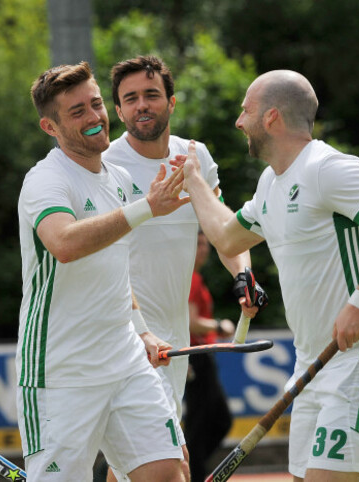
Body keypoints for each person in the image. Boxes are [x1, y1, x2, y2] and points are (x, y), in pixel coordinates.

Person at [174, 70, 359, 482]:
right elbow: (226, 238)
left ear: (271, 117)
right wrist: (193, 180)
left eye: (245, 111)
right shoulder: (270, 184)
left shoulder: (329, 168)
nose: (239, 122)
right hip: (311, 368)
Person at [17, 61, 191, 481]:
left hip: (125, 360)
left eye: (96, 104)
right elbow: (65, 243)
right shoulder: (45, 181)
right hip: (61, 370)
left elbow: (115, 270)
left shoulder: (120, 179)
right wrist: (147, 207)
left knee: (168, 471)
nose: (95, 117)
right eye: (77, 112)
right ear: (50, 127)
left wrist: (142, 329)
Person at [104, 55, 265, 480]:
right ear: (118, 110)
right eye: (131, 98)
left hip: (173, 343)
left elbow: (221, 227)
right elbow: (100, 257)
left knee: (133, 467)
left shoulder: (195, 156)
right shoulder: (104, 164)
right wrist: (137, 327)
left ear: (171, 102)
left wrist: (242, 274)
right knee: (168, 463)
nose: (143, 105)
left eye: (152, 95)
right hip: (124, 336)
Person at [184, 231, 235, 482]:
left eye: (205, 244)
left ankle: (194, 468)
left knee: (210, 420)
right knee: (206, 421)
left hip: (199, 356)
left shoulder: (194, 278)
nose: (204, 249)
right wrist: (218, 325)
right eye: (198, 244)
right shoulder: (190, 279)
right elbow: (191, 322)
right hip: (195, 355)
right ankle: (193, 471)